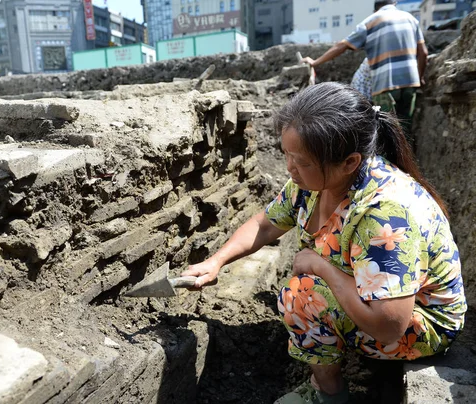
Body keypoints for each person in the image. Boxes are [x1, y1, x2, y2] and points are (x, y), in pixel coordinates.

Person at [182, 82, 467, 404]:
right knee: (306, 289)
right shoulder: (312, 183)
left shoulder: (385, 214)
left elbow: (390, 327)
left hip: (419, 325)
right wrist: (215, 262)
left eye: (301, 161)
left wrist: (322, 268)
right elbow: (265, 224)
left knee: (302, 296)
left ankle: (329, 393)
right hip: (375, 299)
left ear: (349, 162)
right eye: (286, 156)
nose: (290, 169)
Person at [300, 0, 428, 138]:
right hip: (410, 82)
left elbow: (341, 46)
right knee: (406, 130)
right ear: (394, 3)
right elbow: (424, 53)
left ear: (375, 9)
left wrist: (315, 62)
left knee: (387, 132)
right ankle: (408, 158)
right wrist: (419, 77)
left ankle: (390, 159)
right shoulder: (410, 19)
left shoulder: (370, 22)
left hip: (385, 84)